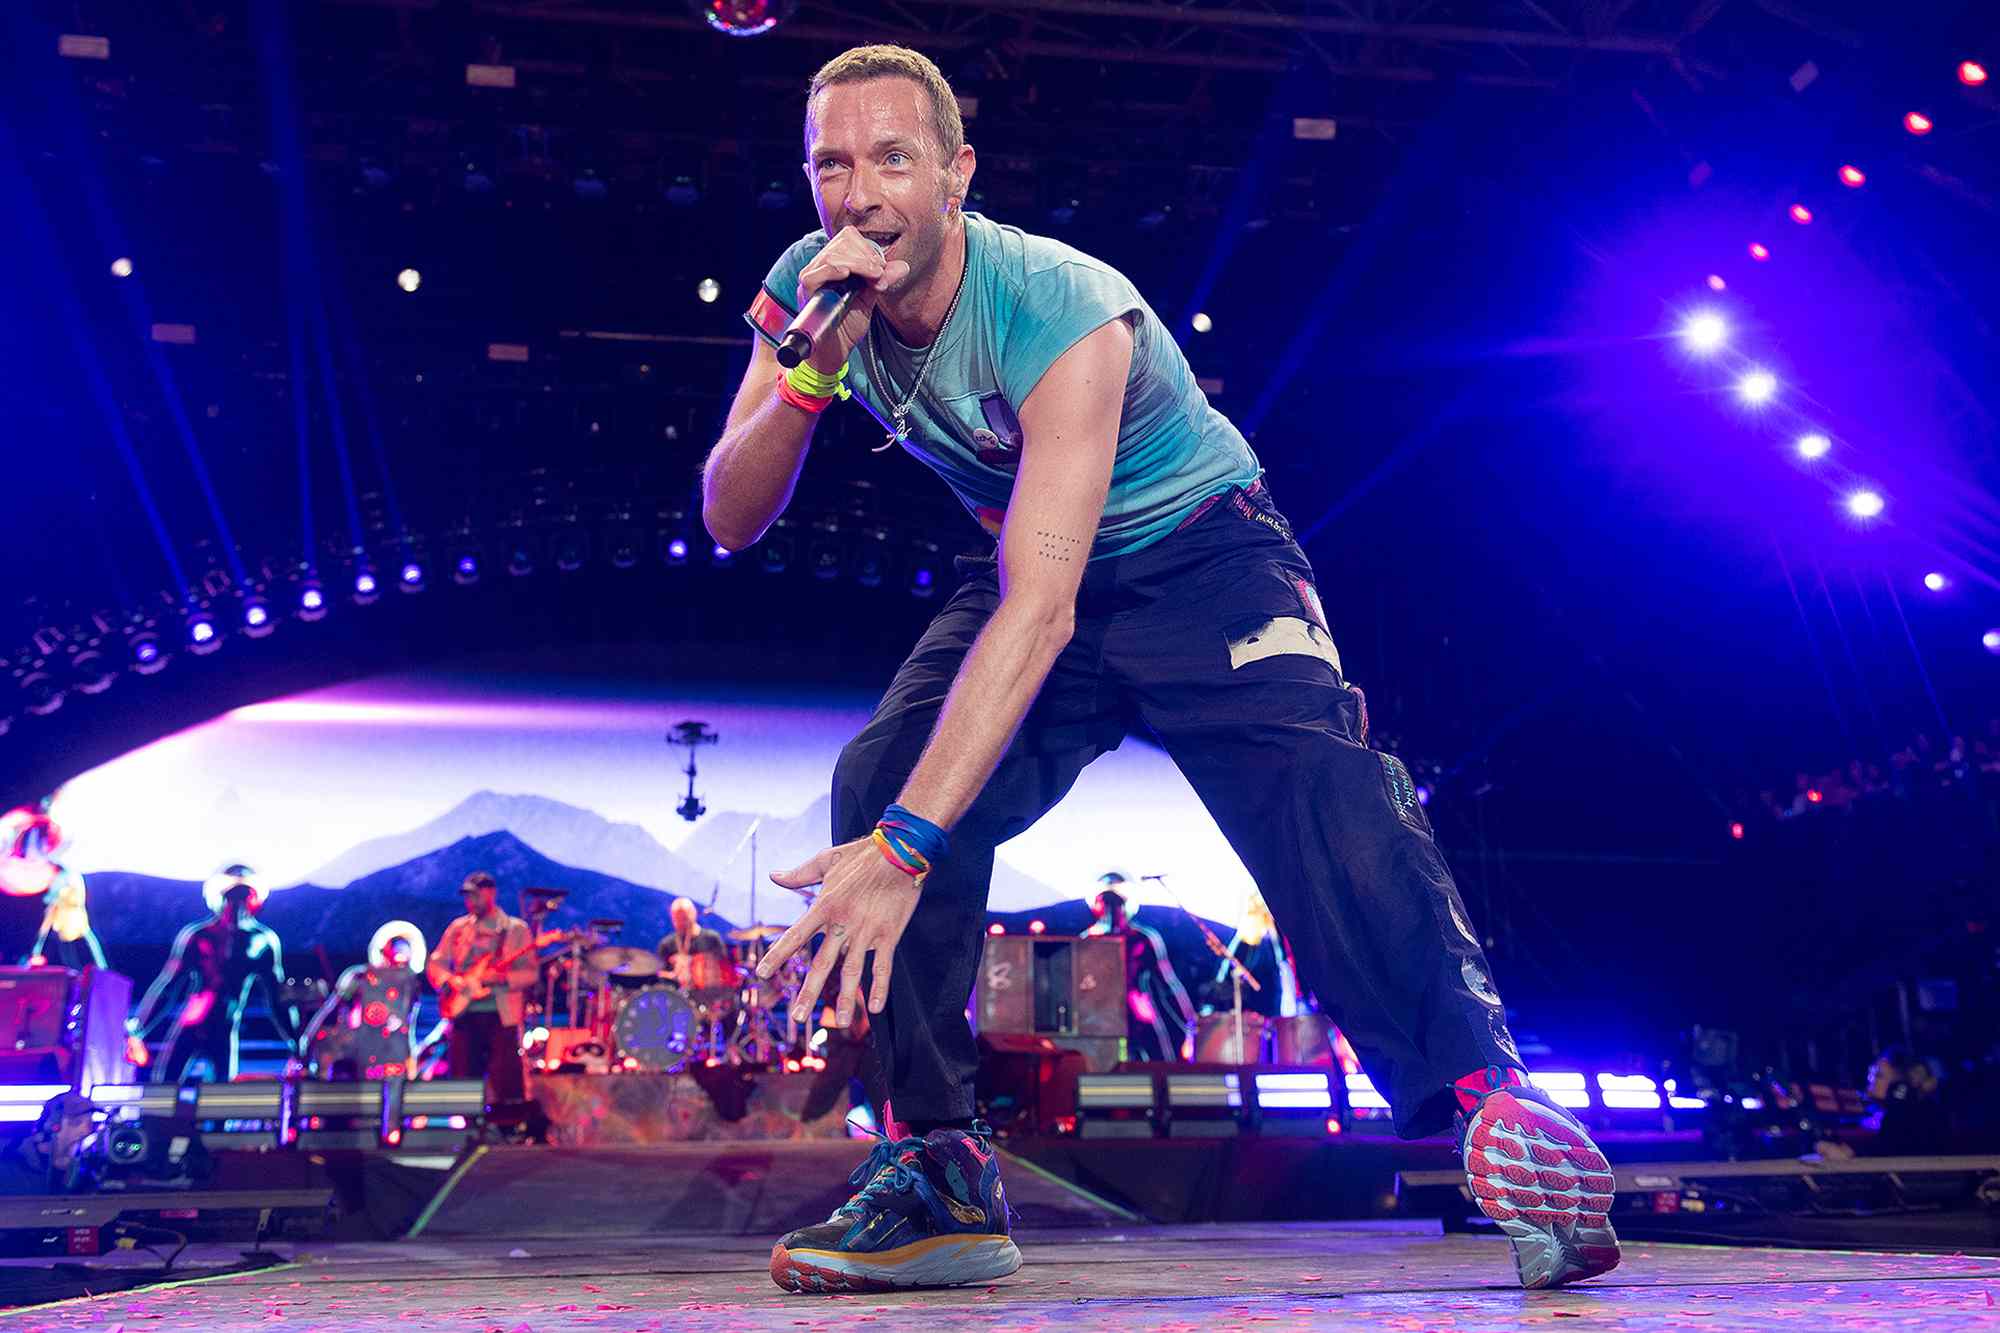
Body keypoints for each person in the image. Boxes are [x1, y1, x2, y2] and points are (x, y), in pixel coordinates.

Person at [727, 45, 1618, 1293]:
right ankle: (938, 1170)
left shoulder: (1057, 304)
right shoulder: (804, 294)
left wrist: (908, 848)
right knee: (886, 777)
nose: (859, 192)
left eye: (891, 158)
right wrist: (807, 372)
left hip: (1200, 557)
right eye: (831, 162)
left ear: (955, 175)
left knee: (1319, 784)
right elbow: (728, 510)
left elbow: (1036, 616)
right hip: (1038, 557)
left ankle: (1488, 1102)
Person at [128, 866, 300, 1083]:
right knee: (166, 1090)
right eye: (231, 896)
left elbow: (277, 999)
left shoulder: (261, 941)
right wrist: (139, 1030)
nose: (236, 905)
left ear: (253, 899)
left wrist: (297, 1041)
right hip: (191, 1025)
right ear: (219, 897)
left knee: (219, 1100)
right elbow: (168, 987)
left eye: (242, 896)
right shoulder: (199, 936)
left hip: (224, 1029)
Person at [427, 872, 538, 1116]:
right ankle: (466, 1127)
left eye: (475, 895)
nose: (471, 901)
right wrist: (451, 980)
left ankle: (508, 1128)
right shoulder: (458, 929)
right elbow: (436, 963)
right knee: (463, 1076)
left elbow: (531, 973)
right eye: (467, 897)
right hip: (464, 1013)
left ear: (490, 893)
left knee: (506, 1077)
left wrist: (502, 978)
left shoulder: (515, 929)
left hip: (501, 1015)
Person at [1081, 875, 1195, 1062]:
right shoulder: (1085, 942)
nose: (1112, 909)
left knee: (1155, 1070)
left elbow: (1170, 986)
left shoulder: (1142, 938)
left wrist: (1190, 1029)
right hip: (1099, 1023)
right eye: (1106, 902)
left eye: (1117, 903)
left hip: (1139, 1020)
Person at [302, 921, 426, 1080]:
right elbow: (329, 1011)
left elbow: (408, 1026)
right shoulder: (358, 977)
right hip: (356, 1048)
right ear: (383, 952)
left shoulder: (410, 984)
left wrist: (410, 1060)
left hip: (391, 1054)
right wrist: (307, 1044)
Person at [656, 896, 729, 987]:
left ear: (694, 913)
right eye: (677, 920)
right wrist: (672, 975)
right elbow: (660, 974)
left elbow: (725, 969)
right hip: (677, 996)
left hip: (708, 993)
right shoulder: (666, 945)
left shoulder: (711, 939)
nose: (681, 923)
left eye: (684, 919)